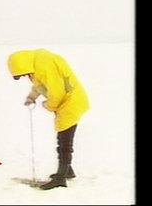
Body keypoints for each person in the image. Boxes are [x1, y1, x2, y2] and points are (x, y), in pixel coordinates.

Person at [7, 48, 90, 190]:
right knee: (63, 140)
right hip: (66, 103)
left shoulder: (44, 65)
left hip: (71, 103)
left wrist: (47, 105)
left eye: (25, 74)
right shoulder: (38, 64)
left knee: (65, 143)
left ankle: (61, 178)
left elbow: (56, 93)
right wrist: (31, 97)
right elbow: (40, 85)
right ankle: (67, 171)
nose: (26, 76)